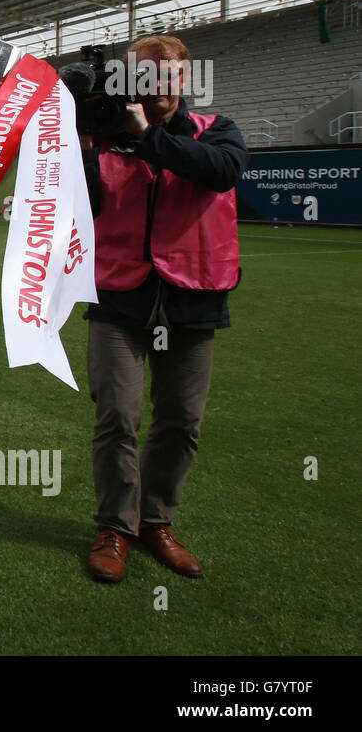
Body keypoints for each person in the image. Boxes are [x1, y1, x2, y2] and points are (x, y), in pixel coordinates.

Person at [81, 35, 248, 583]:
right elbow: (73, 204)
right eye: (143, 77)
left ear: (184, 80)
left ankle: (157, 522)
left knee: (180, 422)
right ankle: (115, 528)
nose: (158, 87)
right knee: (117, 418)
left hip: (192, 299)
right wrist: (74, 137)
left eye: (169, 76)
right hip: (119, 296)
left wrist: (145, 136)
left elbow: (220, 171)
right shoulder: (101, 139)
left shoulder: (216, 131)